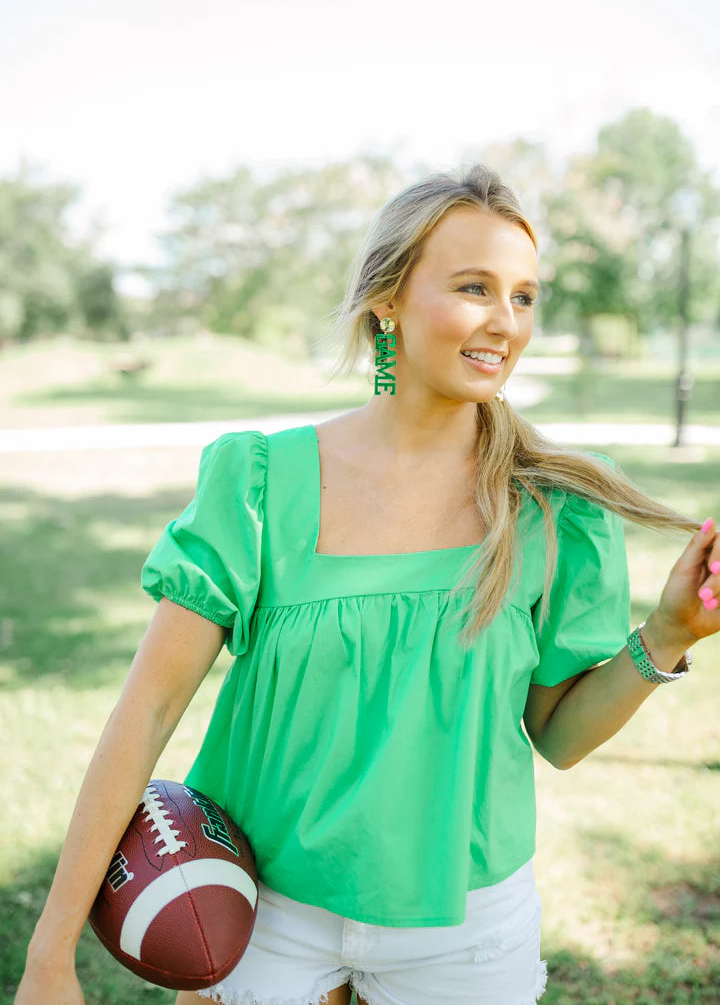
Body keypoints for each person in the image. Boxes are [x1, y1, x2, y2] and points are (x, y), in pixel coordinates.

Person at [13, 163, 719, 1005]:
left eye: (524, 296)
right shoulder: (261, 482)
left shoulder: (553, 506)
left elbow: (558, 736)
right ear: (388, 299)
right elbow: (148, 711)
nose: (506, 322)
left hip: (465, 927)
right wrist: (50, 952)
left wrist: (668, 634)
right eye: (474, 287)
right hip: (259, 911)